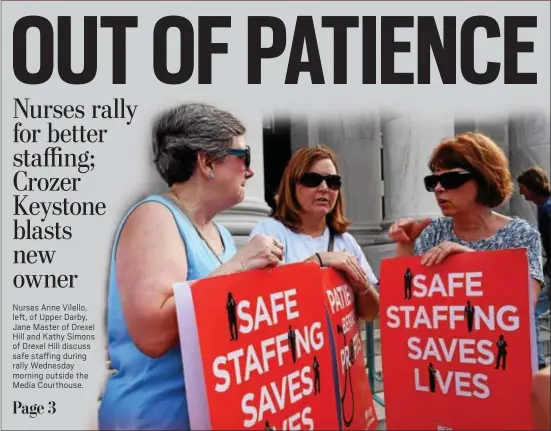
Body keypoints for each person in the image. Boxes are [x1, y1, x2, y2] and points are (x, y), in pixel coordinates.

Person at [98, 103, 284, 430]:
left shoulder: (223, 235)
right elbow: (153, 335)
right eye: (244, 158)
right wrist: (241, 264)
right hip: (155, 417)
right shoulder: (154, 217)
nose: (251, 172)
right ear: (207, 162)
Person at [388, 132, 545, 370]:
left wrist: (471, 263)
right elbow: (407, 302)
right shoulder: (432, 233)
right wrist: (405, 244)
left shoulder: (521, 234)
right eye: (433, 182)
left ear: (484, 178)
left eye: (452, 180)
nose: (439, 189)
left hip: (508, 369)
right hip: (451, 366)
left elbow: (524, 304)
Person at [249, 145, 379, 321]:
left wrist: (362, 286)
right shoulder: (269, 232)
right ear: (292, 185)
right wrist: (320, 260)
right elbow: (263, 301)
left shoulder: (346, 241)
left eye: (333, 181)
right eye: (312, 180)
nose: (324, 188)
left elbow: (371, 313)